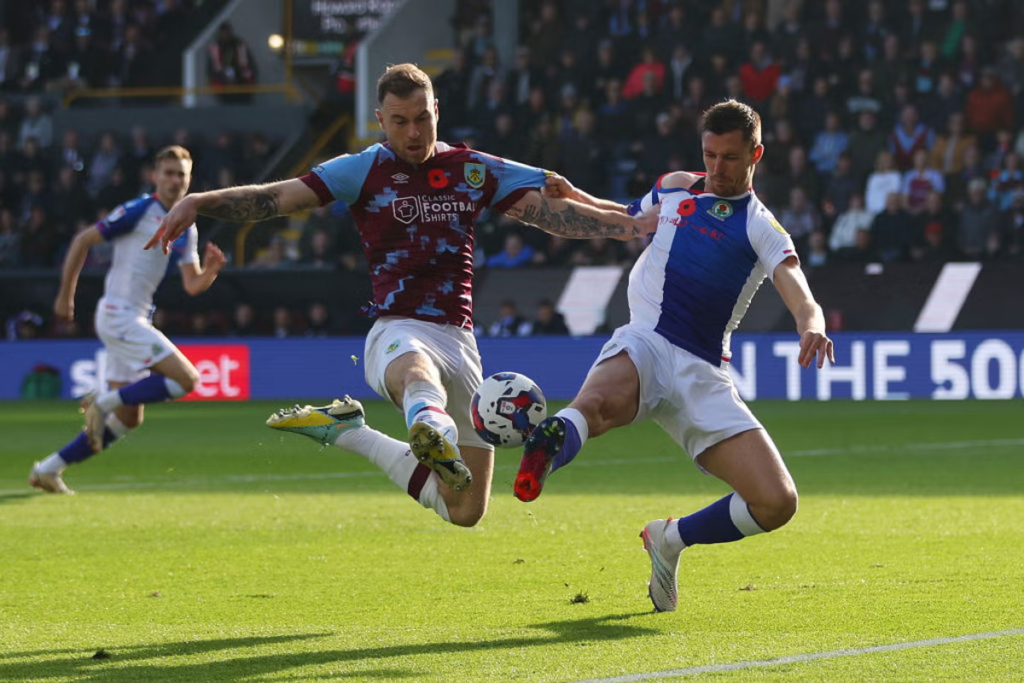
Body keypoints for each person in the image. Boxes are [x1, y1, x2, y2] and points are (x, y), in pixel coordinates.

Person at [148, 63, 650, 528]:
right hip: (398, 328)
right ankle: (432, 431)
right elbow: (276, 198)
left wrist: (631, 226)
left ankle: (349, 431)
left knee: (466, 510)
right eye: (400, 121)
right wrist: (199, 200)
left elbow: (555, 210)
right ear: (380, 121)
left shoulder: (472, 169)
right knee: (416, 376)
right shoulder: (360, 170)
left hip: (461, 339)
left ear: (437, 113)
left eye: (422, 118)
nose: (413, 132)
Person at [514, 100, 834, 612]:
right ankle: (550, 444)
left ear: (756, 154)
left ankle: (670, 538)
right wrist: (576, 196)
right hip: (646, 341)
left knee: (777, 503)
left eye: (730, 158)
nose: (717, 168)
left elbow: (799, 291)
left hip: (703, 374)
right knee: (595, 404)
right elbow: (631, 220)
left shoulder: (761, 226)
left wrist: (811, 326)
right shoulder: (676, 186)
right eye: (710, 155)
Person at [30, 146, 226, 494]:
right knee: (187, 379)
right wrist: (65, 295)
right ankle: (102, 401)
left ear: (189, 179)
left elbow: (192, 284)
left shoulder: (187, 225)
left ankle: (48, 469)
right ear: (155, 176)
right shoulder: (140, 210)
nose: (174, 180)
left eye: (181, 174)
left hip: (132, 318)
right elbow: (82, 240)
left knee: (129, 419)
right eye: (168, 173)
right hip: (119, 315)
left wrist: (210, 272)